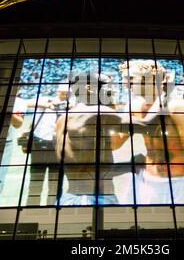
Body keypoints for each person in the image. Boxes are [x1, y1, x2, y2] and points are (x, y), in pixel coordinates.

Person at [118, 60, 184, 204]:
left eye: (131, 79)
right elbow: (114, 143)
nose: (125, 84)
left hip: (177, 183)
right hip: (145, 180)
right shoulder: (133, 107)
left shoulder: (176, 107)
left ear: (151, 77)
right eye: (124, 80)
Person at [54, 72, 135, 205]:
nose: (110, 91)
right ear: (89, 88)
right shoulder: (97, 113)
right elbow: (116, 143)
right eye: (106, 86)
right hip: (94, 197)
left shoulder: (63, 118)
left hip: (70, 196)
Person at [11, 83, 74, 205]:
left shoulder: (71, 107)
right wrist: (46, 105)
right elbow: (25, 103)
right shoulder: (45, 101)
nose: (64, 94)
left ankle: (49, 209)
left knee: (54, 184)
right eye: (62, 92)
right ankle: (32, 208)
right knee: (36, 182)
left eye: (66, 93)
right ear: (57, 92)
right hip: (40, 143)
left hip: (57, 146)